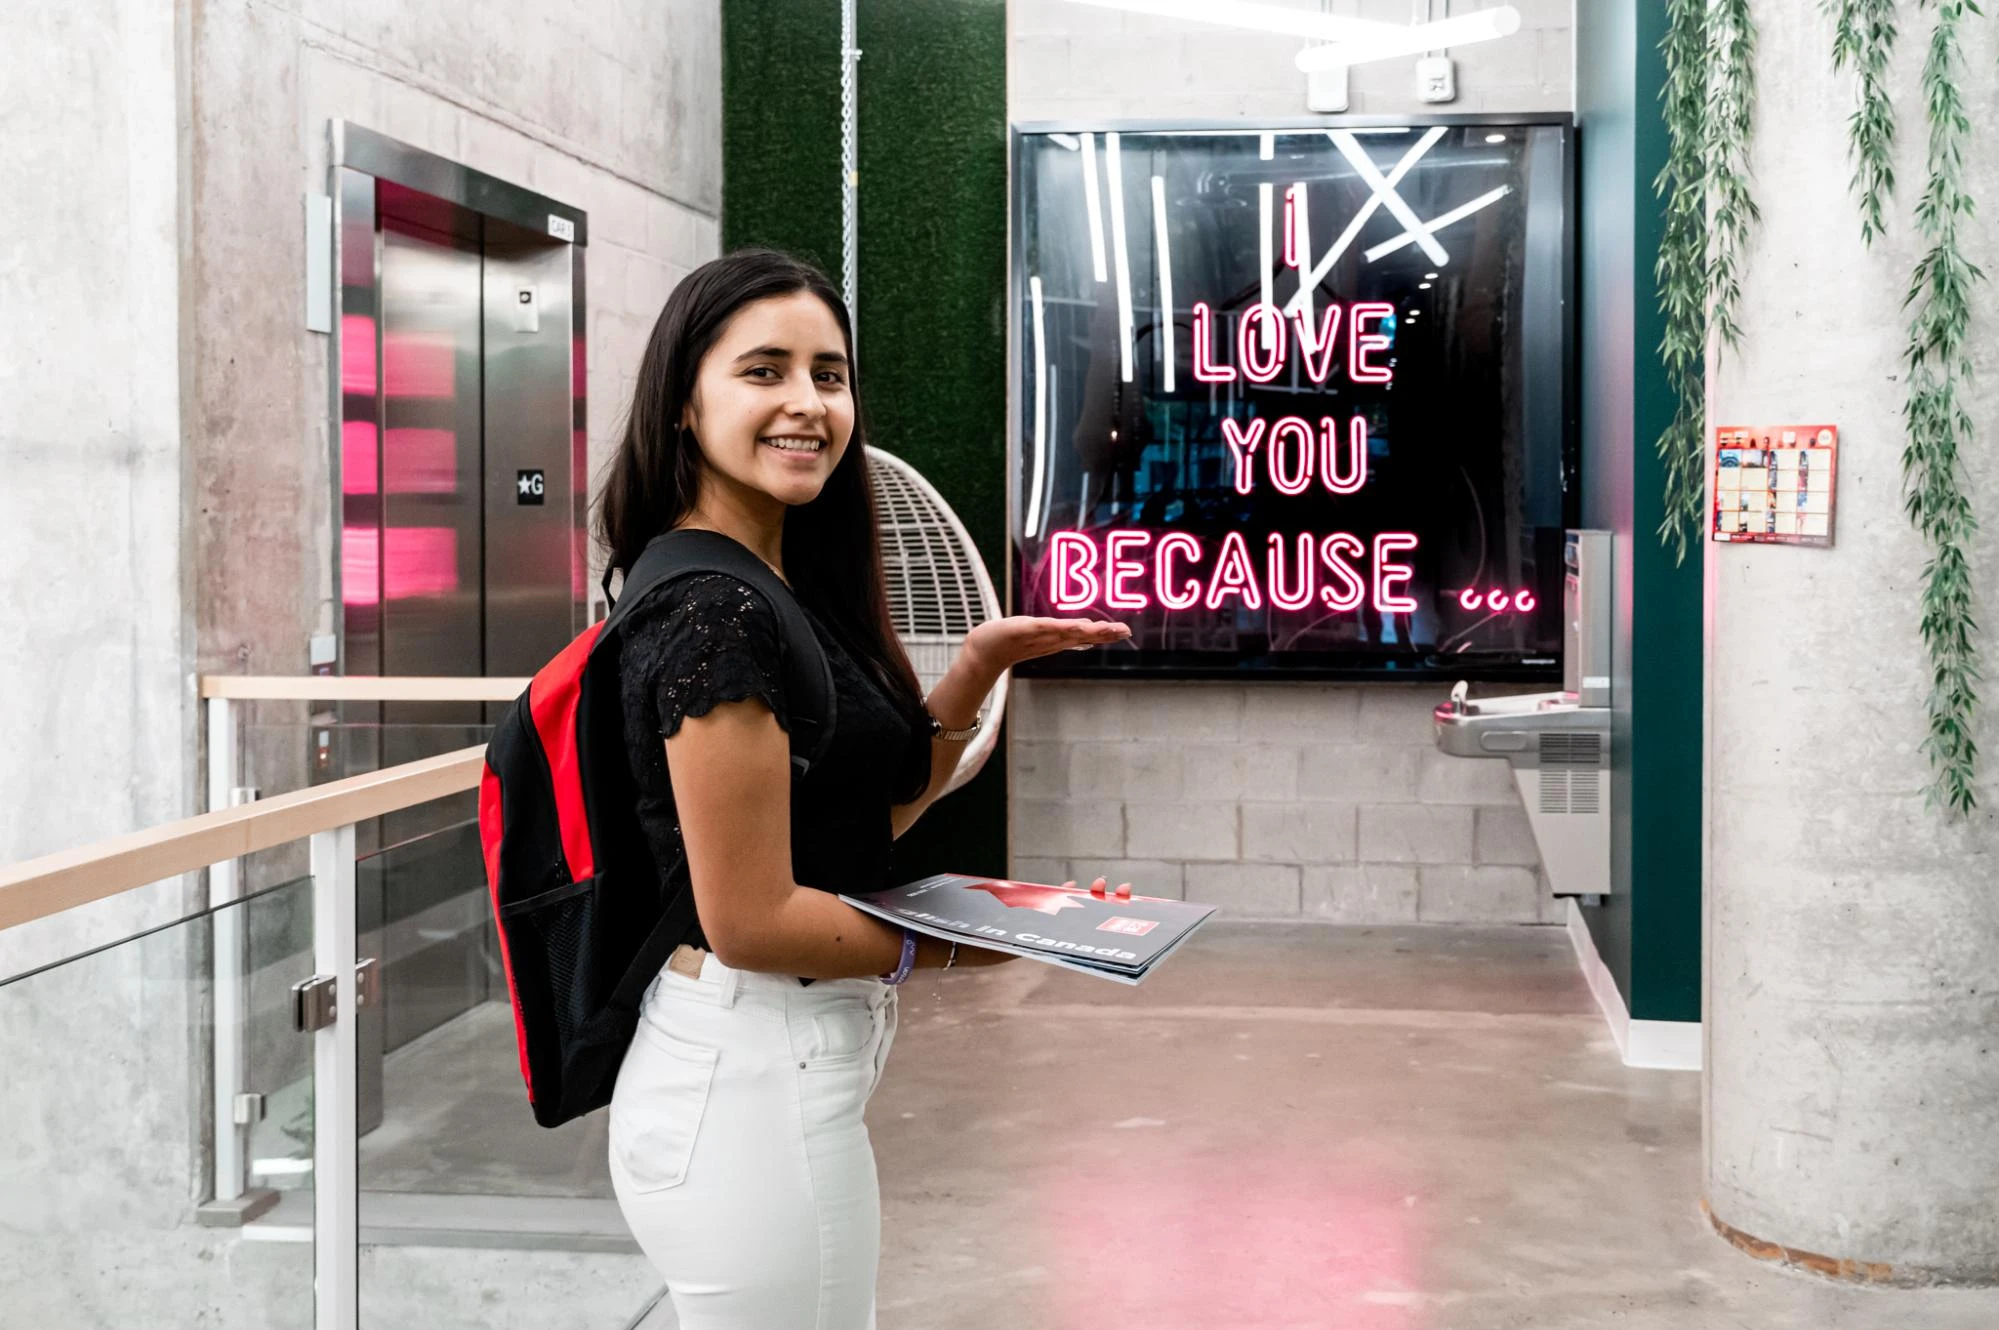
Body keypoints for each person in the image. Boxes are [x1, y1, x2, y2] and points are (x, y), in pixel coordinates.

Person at [593, 248, 1131, 1330]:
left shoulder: (770, 584)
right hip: (747, 1088)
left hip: (764, 1076)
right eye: (764, 371)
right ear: (684, 405)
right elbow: (749, 918)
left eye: (829, 375)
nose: (807, 404)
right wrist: (992, 937)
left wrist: (974, 668)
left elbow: (856, 822)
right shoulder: (716, 614)